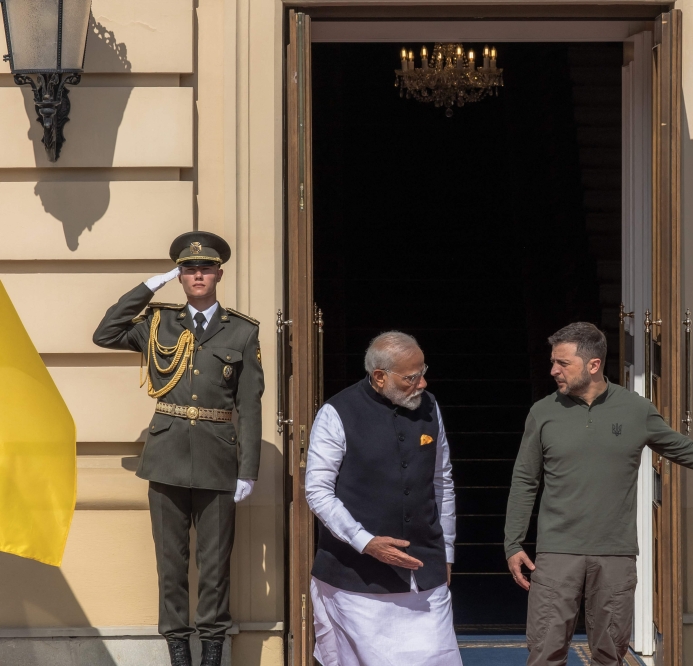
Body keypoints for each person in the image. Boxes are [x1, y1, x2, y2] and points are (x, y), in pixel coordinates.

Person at [504, 322, 693, 666]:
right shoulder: (543, 412)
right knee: (544, 652)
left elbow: (685, 450)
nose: (554, 370)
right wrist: (513, 542)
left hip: (614, 554)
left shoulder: (635, 410)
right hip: (556, 554)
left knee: (609, 654)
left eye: (563, 363)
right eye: (553, 362)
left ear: (594, 365)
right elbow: (525, 479)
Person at [92, 231, 264, 666]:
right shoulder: (158, 322)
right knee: (171, 567)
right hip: (166, 460)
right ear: (181, 276)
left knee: (215, 566)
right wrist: (151, 285)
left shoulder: (241, 331)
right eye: (188, 269)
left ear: (219, 274)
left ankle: (210, 653)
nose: (197, 275)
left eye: (205, 268)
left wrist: (249, 470)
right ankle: (177, 653)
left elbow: (249, 405)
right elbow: (105, 333)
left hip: (217, 461)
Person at [305, 331, 461, 666]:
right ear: (380, 376)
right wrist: (365, 542)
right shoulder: (336, 412)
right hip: (356, 580)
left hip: (424, 574)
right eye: (412, 377)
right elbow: (318, 491)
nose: (422, 383)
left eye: (422, 372)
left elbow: (441, 481)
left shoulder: (430, 408)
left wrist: (446, 550)